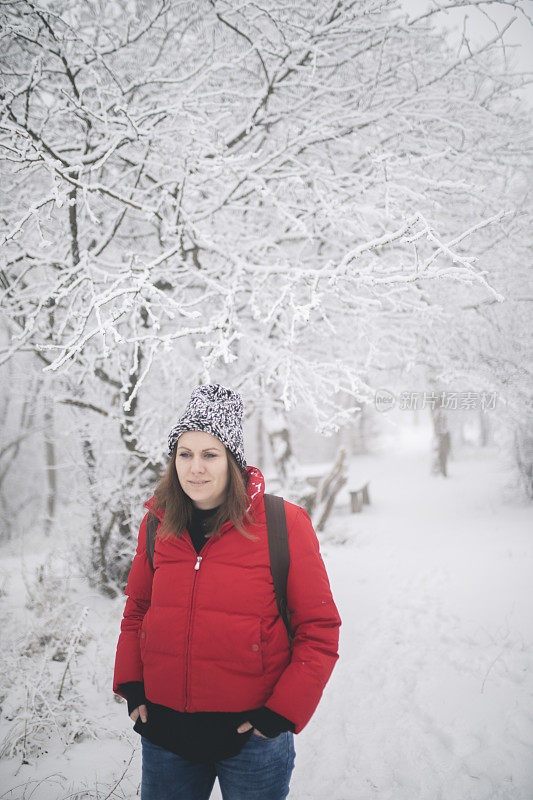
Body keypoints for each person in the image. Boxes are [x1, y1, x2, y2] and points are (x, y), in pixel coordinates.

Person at [113, 384, 341, 800]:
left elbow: (319, 628)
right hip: (166, 736)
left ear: (232, 460)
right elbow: (138, 609)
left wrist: (280, 714)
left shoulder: (281, 523)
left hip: (253, 741)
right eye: (185, 454)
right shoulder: (156, 525)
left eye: (209, 454)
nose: (195, 468)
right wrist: (132, 686)